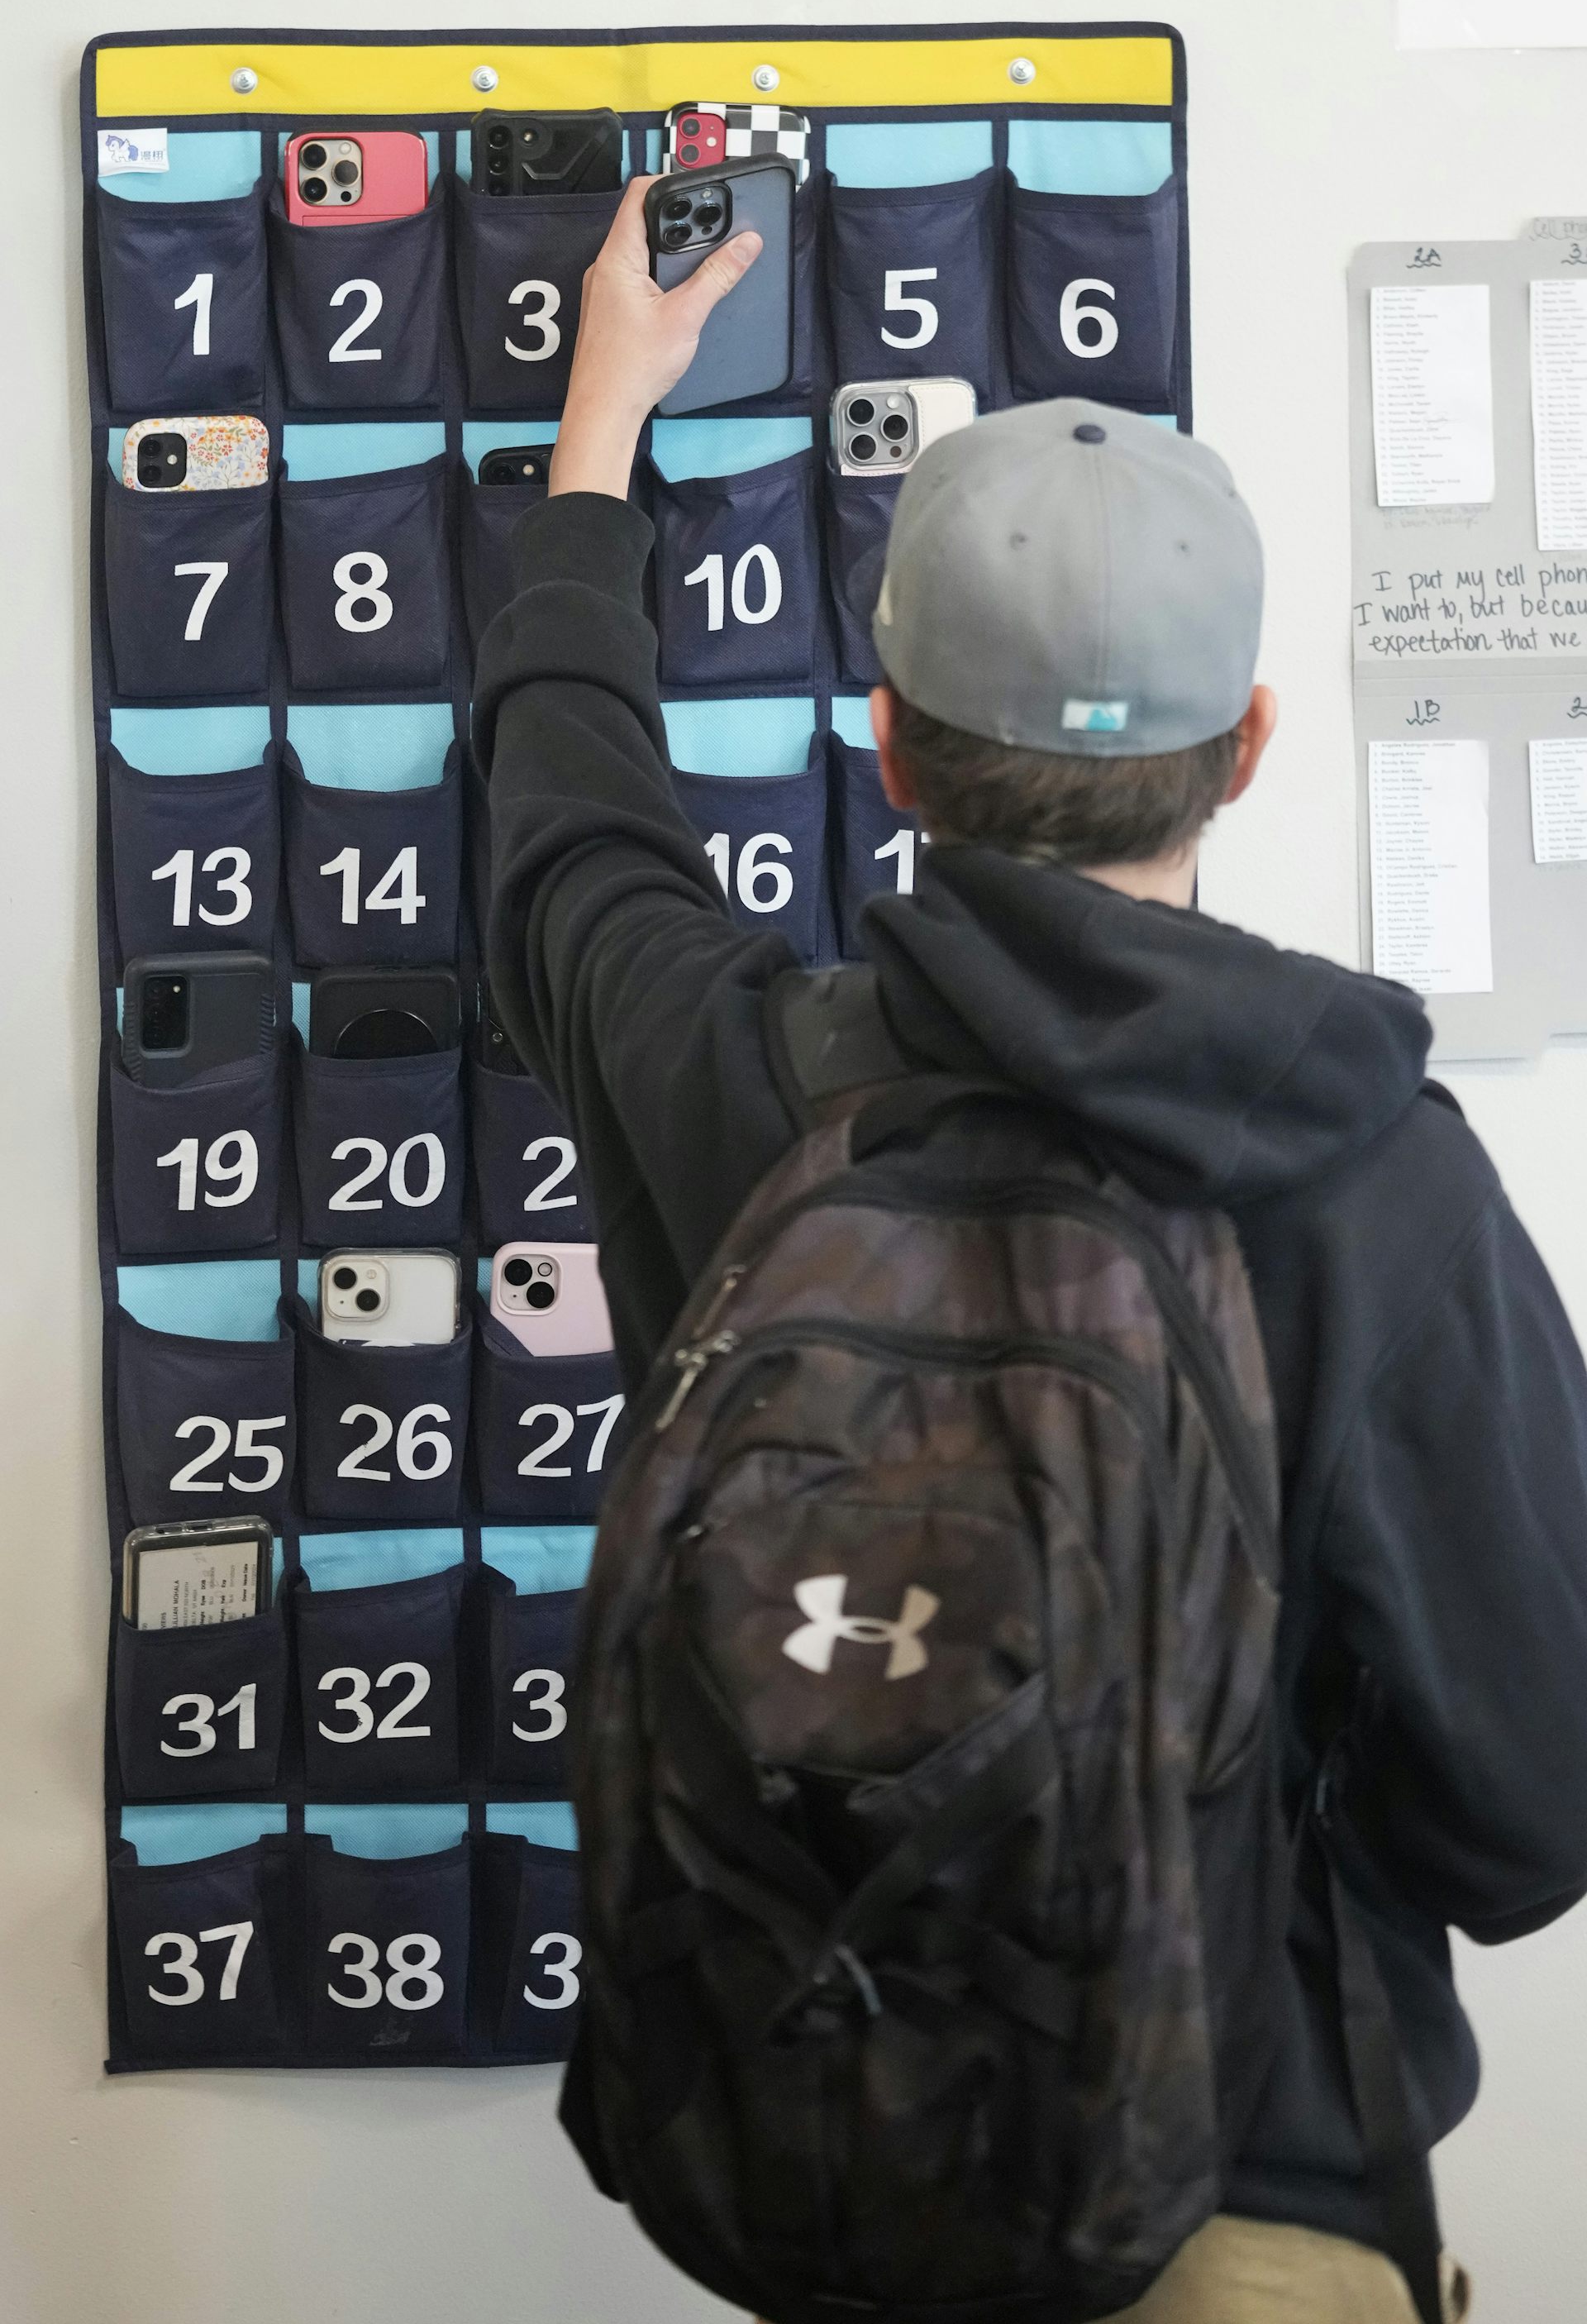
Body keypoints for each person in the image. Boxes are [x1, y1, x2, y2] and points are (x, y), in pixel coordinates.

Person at [473, 179, 1587, 2323]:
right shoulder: (1376, 1173)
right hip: (1250, 2218)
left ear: (888, 742)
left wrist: (597, 428)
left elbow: (567, 827)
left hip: (827, 2185)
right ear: (1248, 749)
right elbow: (1531, 1812)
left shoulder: (738, 1079)